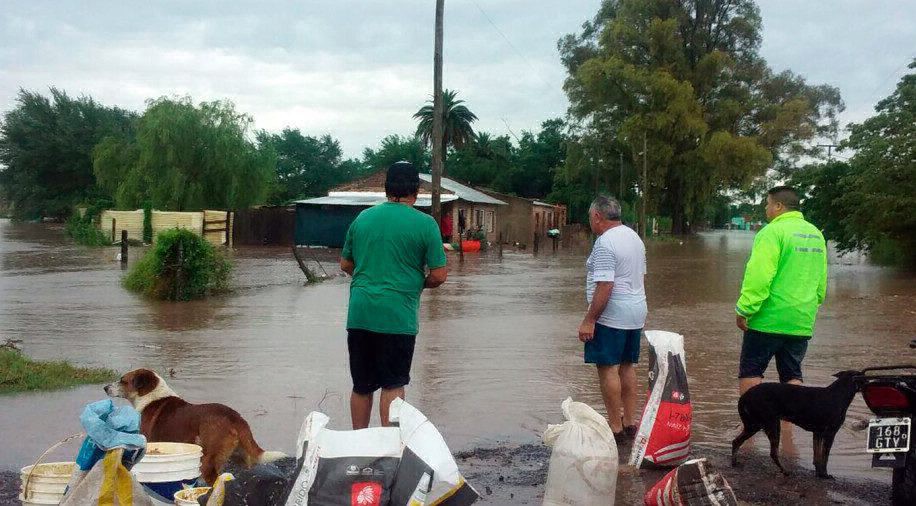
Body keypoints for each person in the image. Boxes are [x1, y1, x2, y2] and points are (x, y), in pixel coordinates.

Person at [340, 161, 448, 429]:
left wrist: (369, 278)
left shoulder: (363, 218)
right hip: (397, 316)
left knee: (362, 385)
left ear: (386, 188)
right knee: (392, 383)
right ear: (416, 189)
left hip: (360, 314)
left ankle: (358, 442)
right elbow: (439, 275)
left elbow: (346, 265)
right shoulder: (425, 224)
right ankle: (387, 446)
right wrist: (415, 284)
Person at [736, 186, 828, 396]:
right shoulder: (816, 234)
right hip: (801, 321)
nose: (766, 210)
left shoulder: (771, 232)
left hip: (767, 319)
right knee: (792, 376)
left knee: (751, 372)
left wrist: (744, 309)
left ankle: (752, 426)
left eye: (767, 204)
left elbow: (759, 277)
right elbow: (821, 282)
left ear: (778, 206)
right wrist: (810, 307)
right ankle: (788, 430)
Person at [578, 195, 647, 442]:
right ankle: (630, 422)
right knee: (628, 366)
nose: (590, 223)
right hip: (636, 311)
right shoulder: (634, 237)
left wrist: (589, 319)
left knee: (608, 368)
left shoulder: (605, 242)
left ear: (597, 216)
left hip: (611, 314)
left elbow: (605, 285)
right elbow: (640, 277)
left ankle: (615, 428)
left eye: (590, 218)